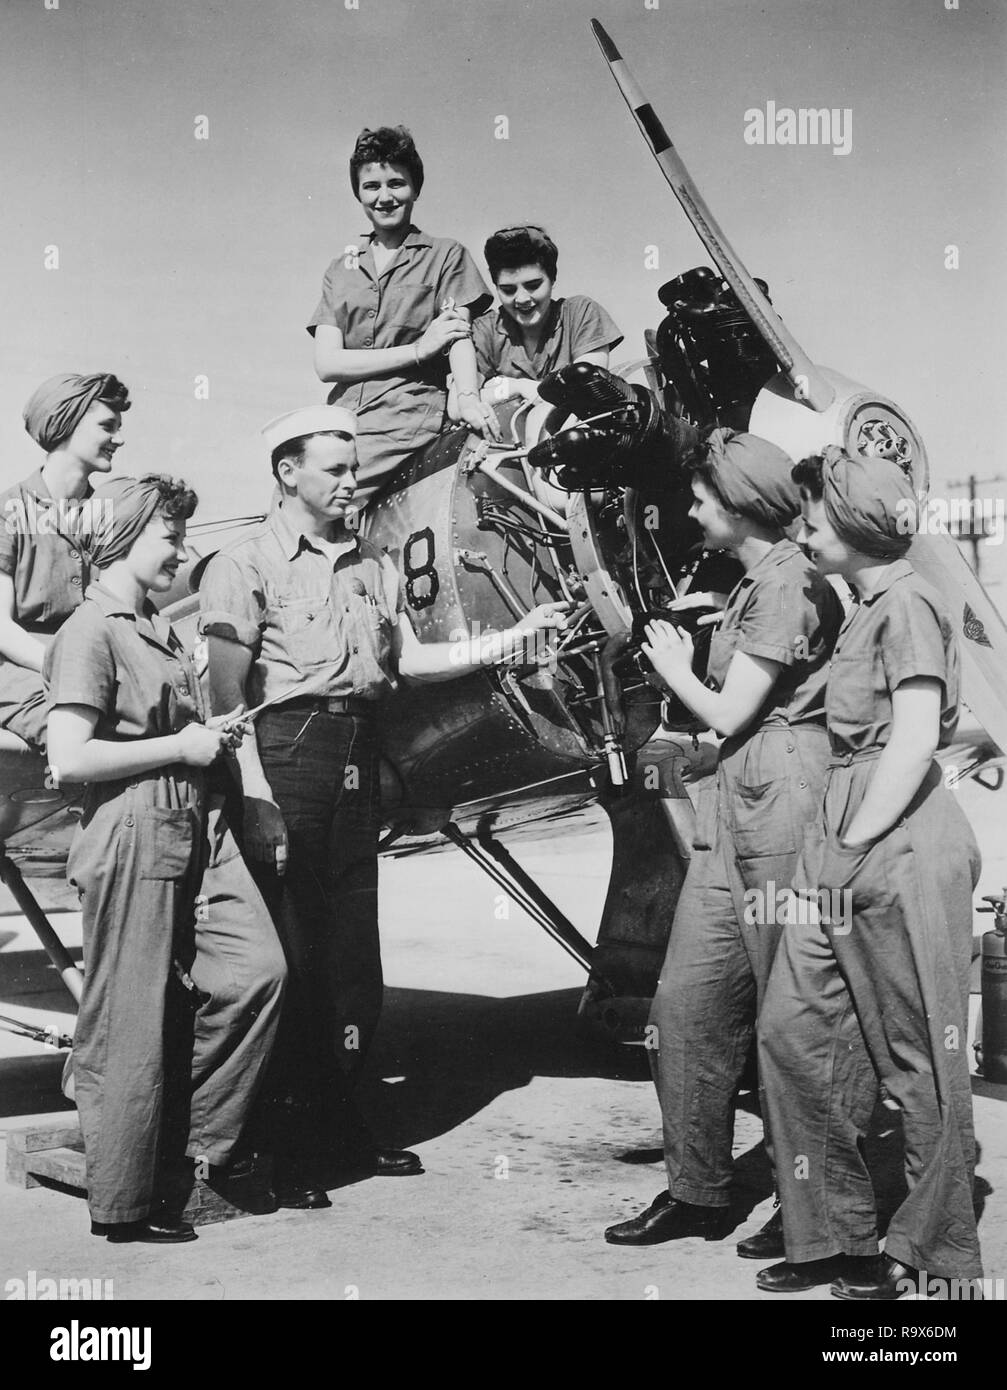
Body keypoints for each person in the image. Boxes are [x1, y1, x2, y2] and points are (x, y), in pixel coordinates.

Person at [198, 405, 570, 1207]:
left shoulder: (371, 566)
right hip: (286, 754)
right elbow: (225, 699)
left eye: (352, 464)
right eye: (332, 467)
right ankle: (283, 1148)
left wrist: (513, 638)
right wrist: (255, 801)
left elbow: (412, 660)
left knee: (352, 967)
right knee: (295, 960)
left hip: (359, 752)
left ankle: (341, 1127)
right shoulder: (244, 564)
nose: (350, 480)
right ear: (286, 473)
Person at [603, 429, 843, 1253]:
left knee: (791, 1017)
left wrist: (672, 665)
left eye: (702, 497)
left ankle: (806, 1200)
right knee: (684, 1009)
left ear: (740, 506)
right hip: (729, 807)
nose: (689, 509)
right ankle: (698, 1189)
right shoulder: (748, 586)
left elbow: (731, 711)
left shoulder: (789, 587)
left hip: (786, 808)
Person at [756, 449, 983, 1298]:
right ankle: (835, 1233)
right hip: (847, 828)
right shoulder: (862, 610)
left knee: (916, 1054)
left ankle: (930, 1250)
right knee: (791, 1032)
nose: (801, 526)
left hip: (898, 840)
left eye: (812, 513)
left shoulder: (910, 603)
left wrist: (850, 844)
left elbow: (917, 734)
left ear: (852, 521)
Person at [44, 475, 287, 1243]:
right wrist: (180, 745)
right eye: (171, 536)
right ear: (123, 534)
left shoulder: (154, 624)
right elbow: (70, 759)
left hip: (198, 818)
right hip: (131, 829)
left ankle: (190, 1145)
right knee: (131, 1018)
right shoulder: (92, 628)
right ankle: (124, 1203)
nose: (182, 549)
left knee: (257, 972)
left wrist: (213, 744)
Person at [308, 124, 498, 511]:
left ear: (416, 188)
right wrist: (419, 348)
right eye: (371, 186)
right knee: (288, 493)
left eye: (396, 183)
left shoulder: (446, 255)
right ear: (358, 193)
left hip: (407, 413)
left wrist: (468, 398)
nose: (384, 197)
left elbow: (457, 334)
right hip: (341, 418)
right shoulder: (340, 268)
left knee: (318, 501)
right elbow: (327, 364)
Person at [0, 373, 130, 749]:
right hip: (22, 675)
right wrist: (73, 668)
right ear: (66, 425)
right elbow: (1, 629)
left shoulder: (111, 516)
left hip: (96, 672)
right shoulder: (8, 513)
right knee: (104, 735)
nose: (119, 439)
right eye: (107, 426)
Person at [457, 223, 623, 409]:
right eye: (508, 290)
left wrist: (496, 387)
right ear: (496, 287)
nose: (522, 299)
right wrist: (517, 387)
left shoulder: (581, 313)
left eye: (533, 285)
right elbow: (457, 406)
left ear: (552, 278)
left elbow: (587, 392)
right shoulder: (484, 331)